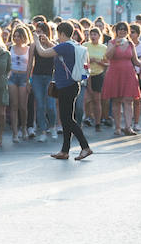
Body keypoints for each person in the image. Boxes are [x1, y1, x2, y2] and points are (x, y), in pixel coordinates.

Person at [31, 21, 93, 160]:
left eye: (58, 34)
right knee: (66, 120)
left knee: (67, 119)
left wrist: (36, 40)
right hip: (72, 85)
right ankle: (65, 150)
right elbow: (58, 51)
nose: (57, 37)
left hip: (66, 86)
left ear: (62, 33)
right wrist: (47, 41)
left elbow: (42, 53)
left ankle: (85, 147)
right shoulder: (73, 44)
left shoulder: (65, 46)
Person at [102, 22, 141, 136]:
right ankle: (118, 127)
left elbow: (135, 61)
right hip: (115, 73)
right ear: (116, 31)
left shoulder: (130, 44)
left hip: (128, 73)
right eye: (120, 29)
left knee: (128, 100)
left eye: (125, 29)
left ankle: (128, 127)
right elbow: (107, 56)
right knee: (116, 100)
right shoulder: (111, 42)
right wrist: (115, 46)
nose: (122, 31)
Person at [28, 21, 57, 142]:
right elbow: (30, 63)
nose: (39, 34)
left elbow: (57, 53)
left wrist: (47, 42)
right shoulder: (34, 45)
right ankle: (43, 131)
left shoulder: (53, 44)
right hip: (37, 77)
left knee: (50, 105)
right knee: (40, 105)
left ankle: (53, 126)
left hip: (51, 77)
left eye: (41, 31)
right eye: (37, 31)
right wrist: (27, 80)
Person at [8, 27, 31, 143]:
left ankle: (24, 127)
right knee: (14, 105)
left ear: (24, 37)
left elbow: (31, 66)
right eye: (15, 36)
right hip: (12, 77)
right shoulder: (10, 48)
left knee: (23, 106)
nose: (16, 38)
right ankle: (15, 132)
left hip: (24, 78)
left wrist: (29, 81)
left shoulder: (28, 49)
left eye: (19, 36)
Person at [85, 28, 108, 131]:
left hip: (98, 74)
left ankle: (97, 123)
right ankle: (88, 117)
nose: (93, 36)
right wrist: (90, 60)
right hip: (86, 75)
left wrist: (98, 61)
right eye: (91, 34)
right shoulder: (85, 45)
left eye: (95, 34)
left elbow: (108, 63)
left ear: (99, 36)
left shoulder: (104, 48)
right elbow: (82, 60)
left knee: (96, 99)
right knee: (86, 99)